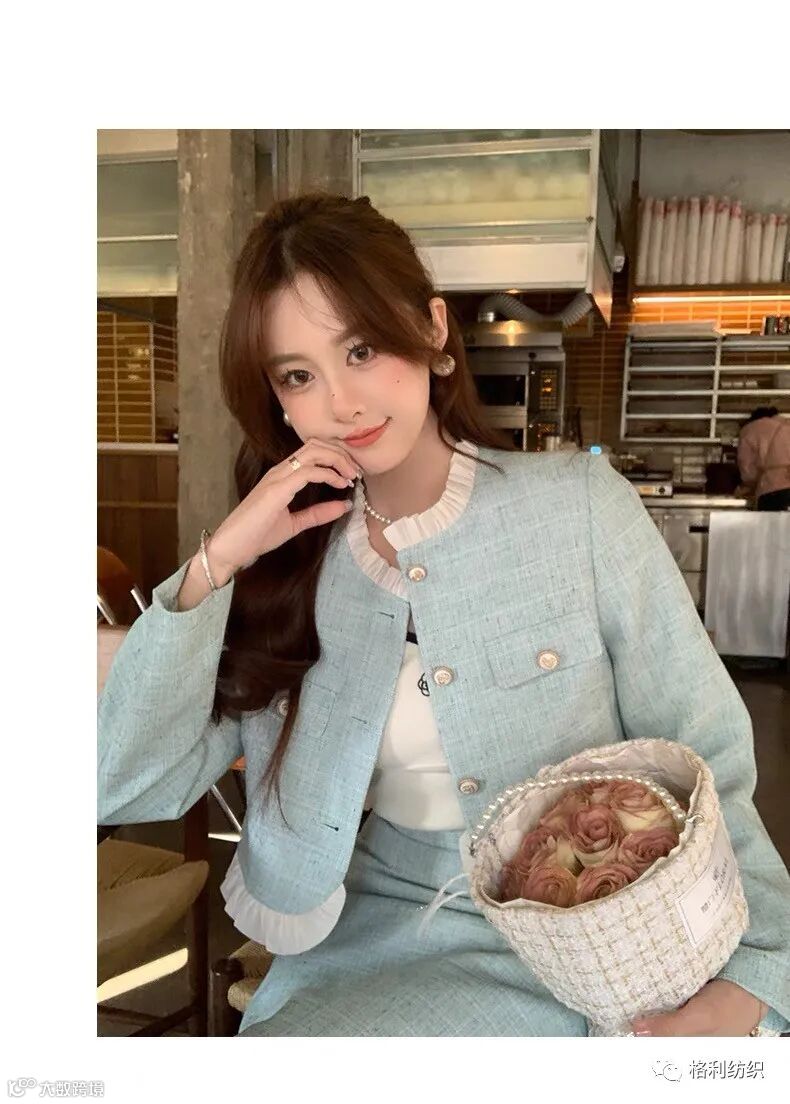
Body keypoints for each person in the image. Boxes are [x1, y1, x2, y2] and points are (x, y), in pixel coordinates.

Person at [98, 194, 790, 1038]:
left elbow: (706, 749)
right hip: (368, 934)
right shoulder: (283, 565)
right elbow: (129, 780)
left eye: (361, 349)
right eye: (298, 376)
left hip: (590, 927)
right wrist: (219, 561)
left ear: (431, 330)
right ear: (277, 401)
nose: (342, 402)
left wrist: (761, 973)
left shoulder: (576, 507)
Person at [737, 406, 790, 510]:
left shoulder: (749, 430)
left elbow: (748, 471)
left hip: (770, 489)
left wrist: (746, 488)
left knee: (772, 521)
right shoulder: (787, 426)